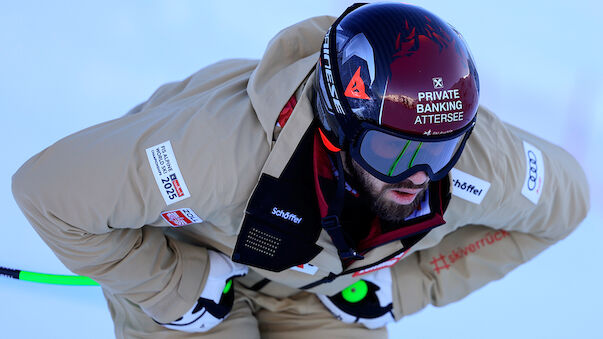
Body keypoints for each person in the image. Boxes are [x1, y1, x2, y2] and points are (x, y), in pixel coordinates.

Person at [12, 3, 589, 338]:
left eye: (440, 152)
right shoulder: (219, 150)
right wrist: (171, 285)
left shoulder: (473, 158)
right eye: (392, 152)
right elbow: (49, 195)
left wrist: (412, 281)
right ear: (340, 126)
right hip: (195, 265)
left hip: (319, 292)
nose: (418, 178)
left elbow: (568, 205)